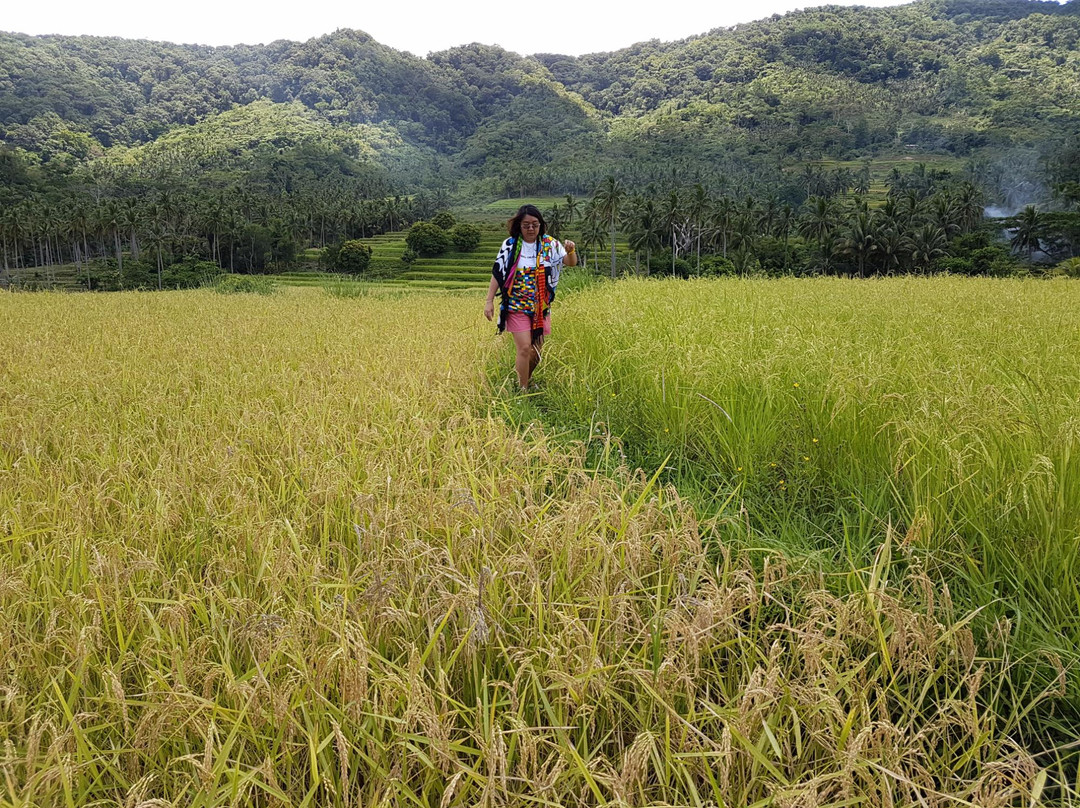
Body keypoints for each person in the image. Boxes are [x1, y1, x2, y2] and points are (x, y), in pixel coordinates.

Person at [485, 204, 577, 390]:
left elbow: (570, 263)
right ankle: (522, 390)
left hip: (540, 307)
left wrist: (571, 251)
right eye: (526, 225)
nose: (531, 229)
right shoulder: (509, 245)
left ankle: (523, 378)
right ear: (519, 225)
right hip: (516, 305)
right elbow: (498, 272)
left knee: (536, 352)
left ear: (540, 225)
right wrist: (489, 301)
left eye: (535, 224)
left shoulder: (550, 244)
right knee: (525, 348)